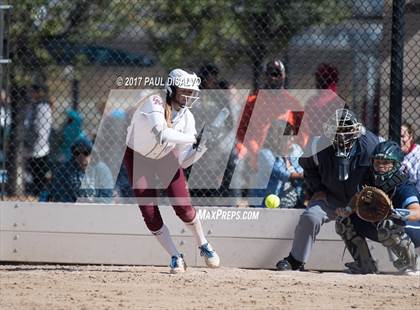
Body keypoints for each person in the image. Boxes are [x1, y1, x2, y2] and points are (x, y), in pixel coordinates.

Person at [123, 68, 220, 274]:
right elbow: (163, 135)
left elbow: (184, 162)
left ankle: (203, 244)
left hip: (165, 157)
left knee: (183, 207)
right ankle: (176, 256)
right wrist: (195, 138)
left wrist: (202, 147)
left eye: (191, 91)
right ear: (172, 88)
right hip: (138, 157)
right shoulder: (155, 101)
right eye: (184, 90)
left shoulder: (188, 118)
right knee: (149, 212)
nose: (188, 95)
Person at [276, 108, 380, 271]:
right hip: (331, 195)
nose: (341, 136)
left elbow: (383, 170)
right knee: (311, 216)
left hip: (361, 198)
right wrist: (317, 189)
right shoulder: (318, 144)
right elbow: (308, 168)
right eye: (337, 131)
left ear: (356, 130)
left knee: (379, 224)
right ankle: (296, 260)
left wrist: (371, 196)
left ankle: (368, 263)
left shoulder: (371, 145)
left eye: (346, 131)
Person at [335, 141, 420, 274]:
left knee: (387, 224)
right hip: (383, 227)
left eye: (386, 163)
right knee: (344, 222)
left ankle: (411, 263)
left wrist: (394, 213)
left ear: (396, 165)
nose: (380, 166)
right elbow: (358, 197)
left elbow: (417, 212)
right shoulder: (369, 177)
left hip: (412, 228)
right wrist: (347, 210)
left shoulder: (404, 186)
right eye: (377, 162)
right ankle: (365, 264)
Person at [251, 120, 304, 208]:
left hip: (293, 201)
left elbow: (301, 169)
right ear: (277, 137)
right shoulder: (265, 154)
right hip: (267, 202)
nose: (292, 139)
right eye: (288, 136)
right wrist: (302, 175)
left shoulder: (295, 149)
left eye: (292, 136)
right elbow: (280, 173)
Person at [48, 137, 114, 202]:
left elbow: (107, 195)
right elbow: (59, 194)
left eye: (86, 153)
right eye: (77, 153)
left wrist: (92, 204)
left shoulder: (102, 169)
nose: (81, 157)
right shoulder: (64, 170)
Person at [24, 84, 53, 196]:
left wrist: (30, 143)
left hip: (39, 147)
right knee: (34, 174)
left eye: (31, 92)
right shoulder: (32, 106)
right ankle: (36, 193)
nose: (29, 94)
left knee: (39, 175)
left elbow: (40, 129)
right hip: (33, 147)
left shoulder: (42, 107)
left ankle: (40, 194)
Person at [401, 122, 420, 192]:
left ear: (410, 137)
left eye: (402, 136)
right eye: (396, 136)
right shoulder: (391, 154)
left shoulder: (418, 155)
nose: (399, 140)